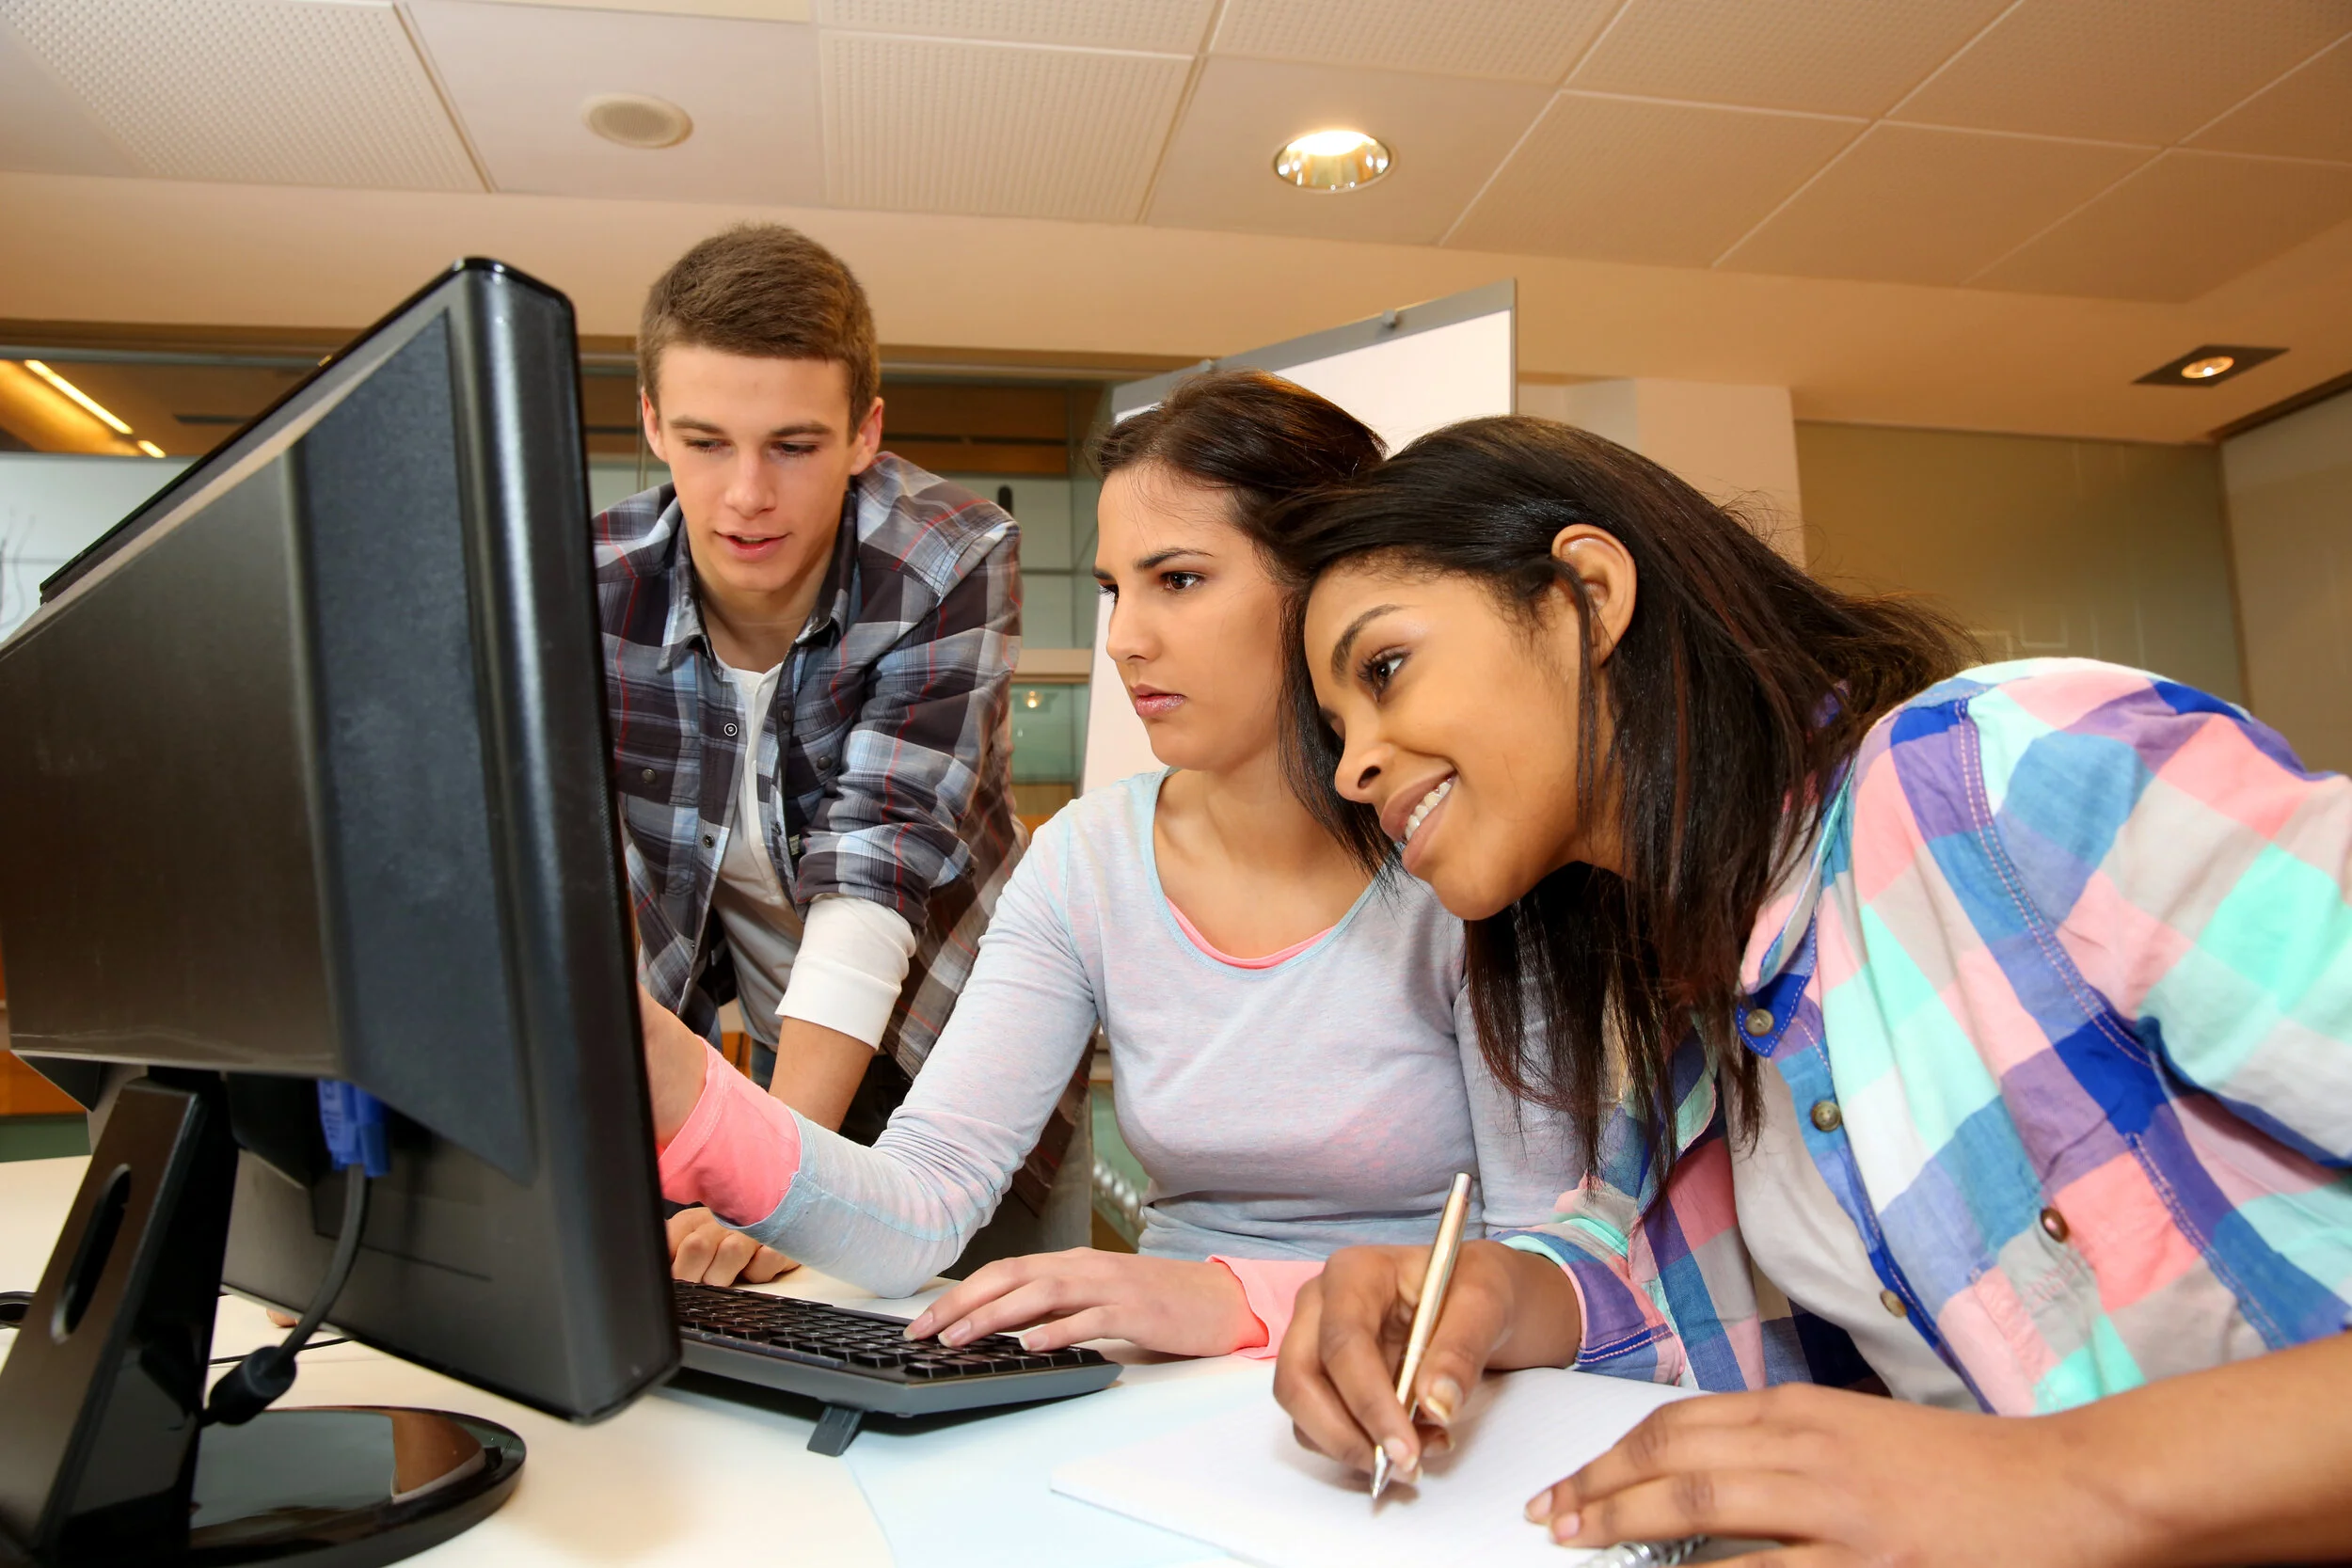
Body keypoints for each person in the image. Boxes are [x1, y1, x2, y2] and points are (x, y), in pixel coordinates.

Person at [1269, 415, 2352, 1564]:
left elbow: (2019, 1482)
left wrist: (2067, 1479)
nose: (1352, 768)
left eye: (1384, 670)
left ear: (1585, 591)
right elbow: (1645, 1275)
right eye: (1337, 732)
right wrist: (1482, 1288)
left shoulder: (2000, 766)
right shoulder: (1685, 983)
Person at [638, 372, 1576, 1358]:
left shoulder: (1464, 855)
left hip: (1430, 1383)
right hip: (1167, 1387)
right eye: (1113, 590)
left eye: (1178, 580)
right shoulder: (1087, 860)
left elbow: (1553, 1258)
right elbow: (922, 1197)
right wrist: (687, 1092)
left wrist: (1235, 1300)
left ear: (1326, 583)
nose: (1125, 640)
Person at [598, 224, 1079, 1283]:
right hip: (781, 1056)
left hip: (965, 1067)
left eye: (794, 444)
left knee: (990, 1369)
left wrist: (779, 1181)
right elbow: (584, 886)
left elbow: (876, 861)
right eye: (705, 440)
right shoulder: (589, 586)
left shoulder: (949, 555)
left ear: (865, 433)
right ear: (651, 424)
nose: (746, 495)